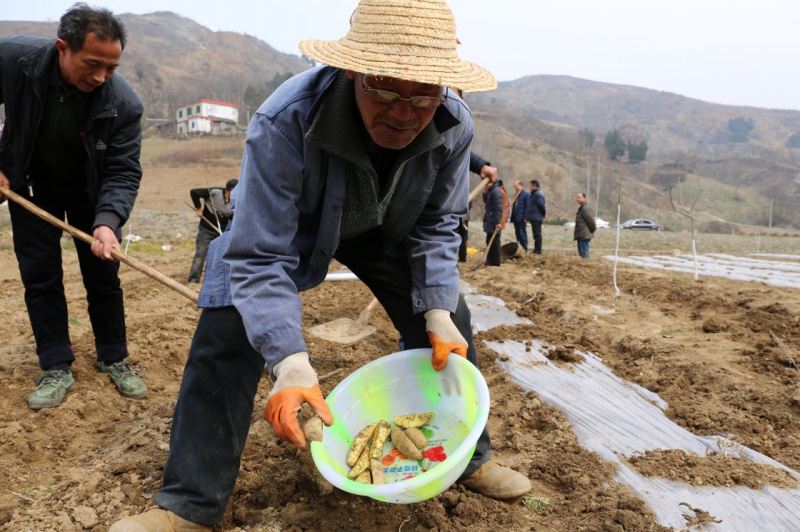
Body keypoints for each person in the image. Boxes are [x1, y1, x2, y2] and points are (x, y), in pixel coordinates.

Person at [111, 1, 531, 529]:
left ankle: (464, 460)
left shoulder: (453, 125)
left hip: (386, 229)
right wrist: (290, 364)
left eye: (423, 94)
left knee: (451, 323)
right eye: (384, 89)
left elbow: (437, 224)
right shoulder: (286, 119)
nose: (403, 112)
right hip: (296, 227)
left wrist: (439, 308)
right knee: (227, 321)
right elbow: (259, 254)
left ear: (445, 88)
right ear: (354, 71)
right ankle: (189, 505)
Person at [0, 3, 146, 410]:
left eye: (111, 68)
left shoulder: (124, 105)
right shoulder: (13, 60)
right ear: (63, 48)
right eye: (93, 63)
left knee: (103, 274)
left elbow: (122, 170)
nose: (100, 76)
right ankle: (56, 365)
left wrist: (108, 223)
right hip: (30, 186)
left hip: (90, 192)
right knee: (41, 277)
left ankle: (114, 357)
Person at [187, 179, 238, 284]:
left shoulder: (236, 203)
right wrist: (198, 208)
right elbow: (194, 192)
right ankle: (193, 279)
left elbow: (233, 219)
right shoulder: (214, 192)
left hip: (221, 233)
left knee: (221, 257)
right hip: (206, 230)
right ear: (231, 190)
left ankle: (218, 280)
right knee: (200, 253)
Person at [457, 152, 497, 262]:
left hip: (463, 218)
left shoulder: (496, 192)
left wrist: (480, 165)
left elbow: (457, 145)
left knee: (462, 239)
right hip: (456, 216)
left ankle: (463, 259)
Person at [482, 172, 504, 267]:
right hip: (490, 220)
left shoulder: (496, 192)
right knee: (489, 241)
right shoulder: (490, 191)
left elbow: (498, 208)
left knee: (494, 243)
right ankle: (490, 260)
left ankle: (494, 263)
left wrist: (497, 222)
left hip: (494, 222)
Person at [526, 179, 547, 254]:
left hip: (536, 217)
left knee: (537, 234)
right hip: (534, 216)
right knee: (536, 234)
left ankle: (538, 250)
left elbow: (541, 205)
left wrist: (544, 213)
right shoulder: (534, 194)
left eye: (530, 186)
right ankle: (536, 249)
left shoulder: (537, 194)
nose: (529, 188)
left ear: (534, 186)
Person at [574, 192, 597, 259]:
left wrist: (592, 229)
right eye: (577, 197)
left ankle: (587, 264)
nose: (577, 199)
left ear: (584, 198)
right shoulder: (582, 208)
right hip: (581, 235)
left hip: (584, 235)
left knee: (584, 253)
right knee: (582, 253)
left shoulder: (585, 208)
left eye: (579, 197)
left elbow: (591, 221)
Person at [511, 180, 530, 252]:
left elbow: (528, 207)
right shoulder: (516, 194)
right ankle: (519, 248)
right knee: (517, 233)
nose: (515, 188)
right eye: (514, 186)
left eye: (516, 186)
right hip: (516, 216)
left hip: (522, 217)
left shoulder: (526, 194)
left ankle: (524, 248)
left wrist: (526, 217)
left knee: (522, 233)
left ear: (520, 185)